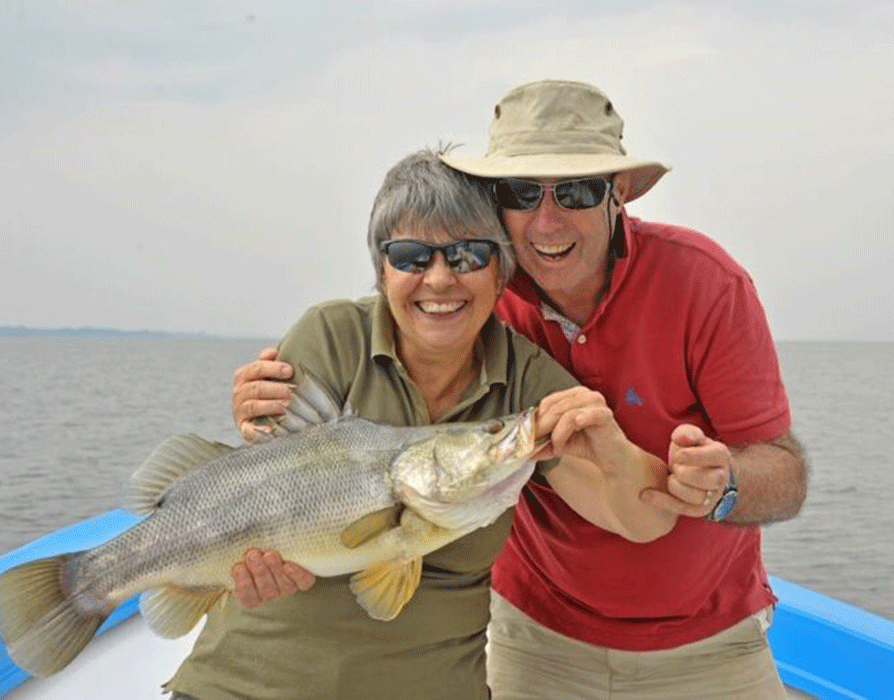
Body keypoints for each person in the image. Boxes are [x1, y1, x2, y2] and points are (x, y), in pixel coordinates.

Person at [232, 81, 808, 699]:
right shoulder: (477, 292)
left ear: (617, 192)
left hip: (711, 644)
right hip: (535, 638)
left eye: (577, 191)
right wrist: (274, 406)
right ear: (496, 203)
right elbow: (399, 322)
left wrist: (725, 485)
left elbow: (784, 472)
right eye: (521, 192)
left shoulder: (707, 283)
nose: (547, 220)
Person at [164, 147, 676, 700]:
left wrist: (613, 449)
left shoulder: (528, 385)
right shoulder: (330, 336)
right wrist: (239, 569)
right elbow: (259, 475)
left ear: (501, 271)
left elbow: (641, 519)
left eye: (468, 254)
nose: (439, 279)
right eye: (410, 256)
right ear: (381, 271)